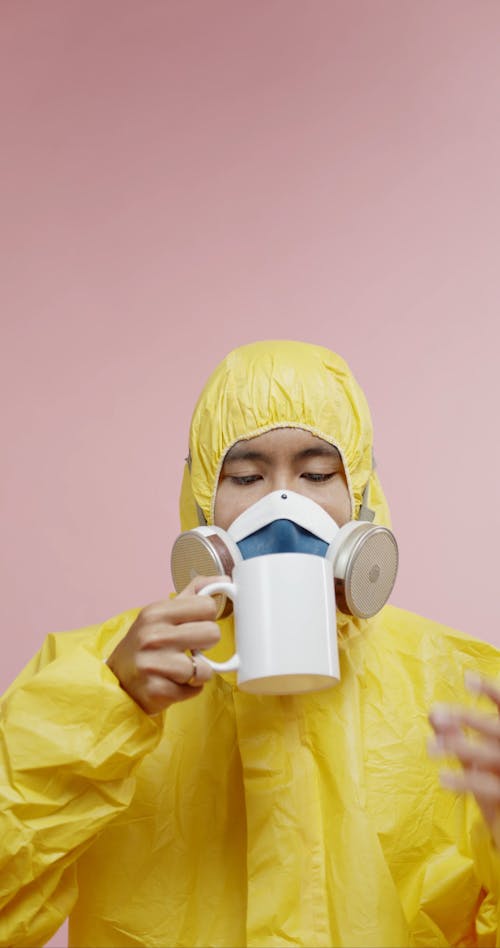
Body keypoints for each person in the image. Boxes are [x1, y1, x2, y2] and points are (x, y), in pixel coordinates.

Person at [2, 339, 500, 948]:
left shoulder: (461, 690)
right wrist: (104, 709)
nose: (281, 508)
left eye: (317, 474)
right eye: (245, 476)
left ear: (362, 497)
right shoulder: (99, 676)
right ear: (203, 500)